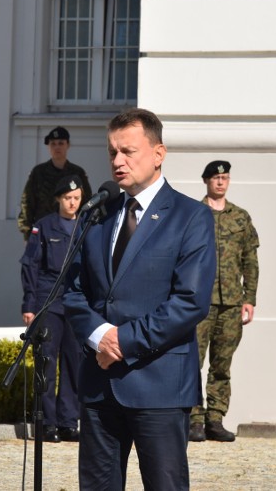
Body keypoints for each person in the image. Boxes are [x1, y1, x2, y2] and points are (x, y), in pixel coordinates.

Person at [63, 108, 216, 490]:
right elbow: (73, 290)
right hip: (100, 383)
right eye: (112, 151)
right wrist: (99, 336)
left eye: (128, 151)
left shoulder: (190, 216)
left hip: (159, 384)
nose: (117, 161)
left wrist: (122, 342)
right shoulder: (97, 214)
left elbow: (189, 301)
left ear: (158, 153)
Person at [189, 160, 259, 443]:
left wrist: (250, 298)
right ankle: (194, 419)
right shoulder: (193, 214)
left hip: (231, 302)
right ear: (206, 181)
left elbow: (250, 261)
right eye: (216, 178)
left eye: (225, 178)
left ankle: (215, 418)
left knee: (222, 364)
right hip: (198, 302)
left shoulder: (240, 217)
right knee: (193, 360)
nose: (220, 182)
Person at [19, 175, 86, 443]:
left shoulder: (86, 226)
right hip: (49, 302)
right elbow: (30, 265)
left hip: (77, 303)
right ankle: (46, 423)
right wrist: (29, 304)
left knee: (74, 363)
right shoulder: (44, 226)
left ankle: (69, 421)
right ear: (59, 198)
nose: (73, 203)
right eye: (68, 198)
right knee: (47, 361)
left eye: (77, 198)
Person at [17, 126, 92, 240]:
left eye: (61, 143)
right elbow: (27, 203)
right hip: (43, 233)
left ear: (68, 145)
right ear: (48, 147)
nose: (57, 147)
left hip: (70, 233)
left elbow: (87, 203)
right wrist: (27, 234)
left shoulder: (77, 173)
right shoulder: (38, 172)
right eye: (53, 144)